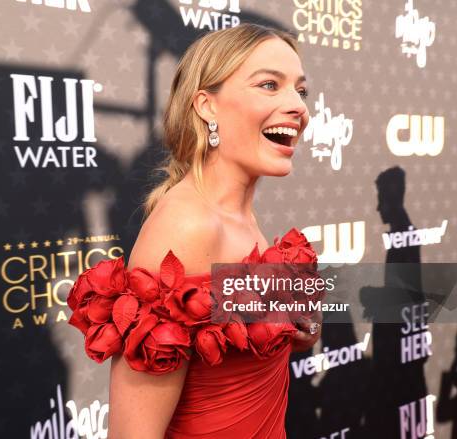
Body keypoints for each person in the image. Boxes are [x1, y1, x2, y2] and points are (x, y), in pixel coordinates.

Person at [68, 23, 322, 438]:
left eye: (300, 90)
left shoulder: (240, 217)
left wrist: (298, 328)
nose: (298, 106)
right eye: (269, 85)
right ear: (207, 106)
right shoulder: (188, 225)